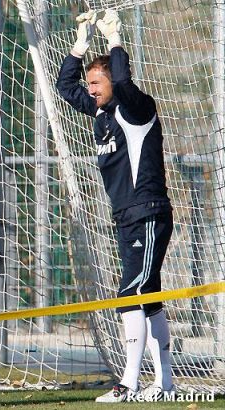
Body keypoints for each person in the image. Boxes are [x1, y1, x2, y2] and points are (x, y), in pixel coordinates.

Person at [56, 9, 175, 403]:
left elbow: (122, 80)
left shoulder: (134, 109)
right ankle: (165, 384)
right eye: (89, 83)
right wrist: (80, 43)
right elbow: (65, 85)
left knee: (130, 294)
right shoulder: (101, 112)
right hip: (126, 217)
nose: (90, 89)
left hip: (147, 212)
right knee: (149, 297)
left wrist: (115, 37)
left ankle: (128, 384)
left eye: (97, 82)